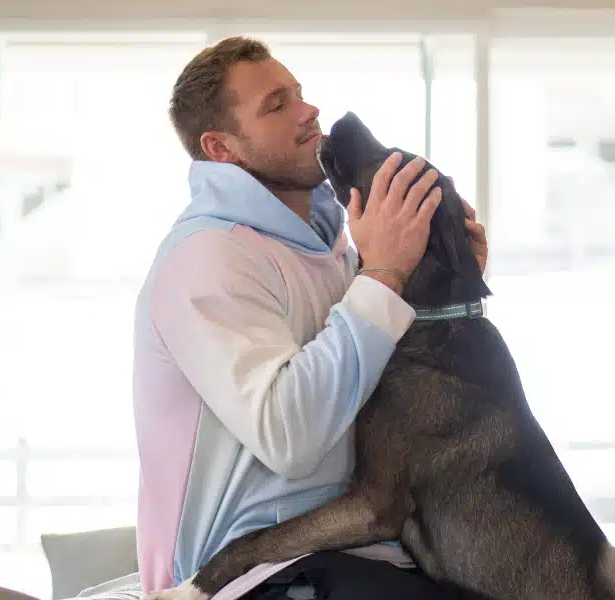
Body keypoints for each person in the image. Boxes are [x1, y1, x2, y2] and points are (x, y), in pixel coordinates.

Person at [132, 35, 488, 600]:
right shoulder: (208, 257)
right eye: (277, 105)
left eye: (299, 94)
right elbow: (291, 437)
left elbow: (373, 387)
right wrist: (385, 274)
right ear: (221, 148)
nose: (309, 111)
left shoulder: (331, 247)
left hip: (354, 546)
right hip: (249, 573)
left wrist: (442, 285)